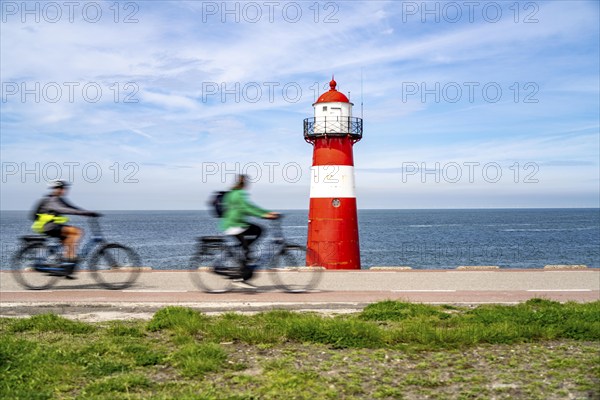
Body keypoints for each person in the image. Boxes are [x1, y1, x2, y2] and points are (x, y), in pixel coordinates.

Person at [219, 175, 278, 288]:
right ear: (245, 183)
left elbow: (250, 206)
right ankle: (239, 278)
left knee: (256, 232)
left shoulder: (232, 193)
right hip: (235, 225)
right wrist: (264, 215)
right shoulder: (240, 194)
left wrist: (267, 212)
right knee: (255, 234)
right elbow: (246, 208)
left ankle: (244, 251)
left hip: (230, 224)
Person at [31, 180, 99, 276]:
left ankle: (67, 264)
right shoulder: (52, 199)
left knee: (71, 236)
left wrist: (87, 212)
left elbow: (72, 207)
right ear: (56, 189)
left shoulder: (60, 199)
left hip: (54, 226)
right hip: (48, 227)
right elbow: (62, 209)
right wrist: (84, 213)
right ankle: (69, 260)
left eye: (64, 188)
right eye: (61, 188)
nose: (64, 190)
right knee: (76, 231)